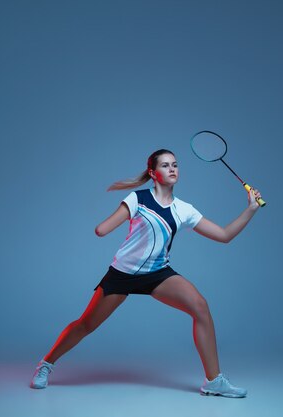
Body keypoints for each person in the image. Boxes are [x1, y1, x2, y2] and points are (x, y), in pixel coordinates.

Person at [30, 149, 262, 398]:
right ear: (153, 173)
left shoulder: (184, 209)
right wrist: (114, 221)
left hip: (157, 273)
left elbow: (224, 236)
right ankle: (46, 364)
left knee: (200, 307)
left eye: (175, 164)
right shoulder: (137, 199)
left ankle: (214, 380)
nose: (172, 169)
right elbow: (101, 230)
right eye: (165, 165)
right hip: (123, 273)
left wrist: (250, 209)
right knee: (86, 324)